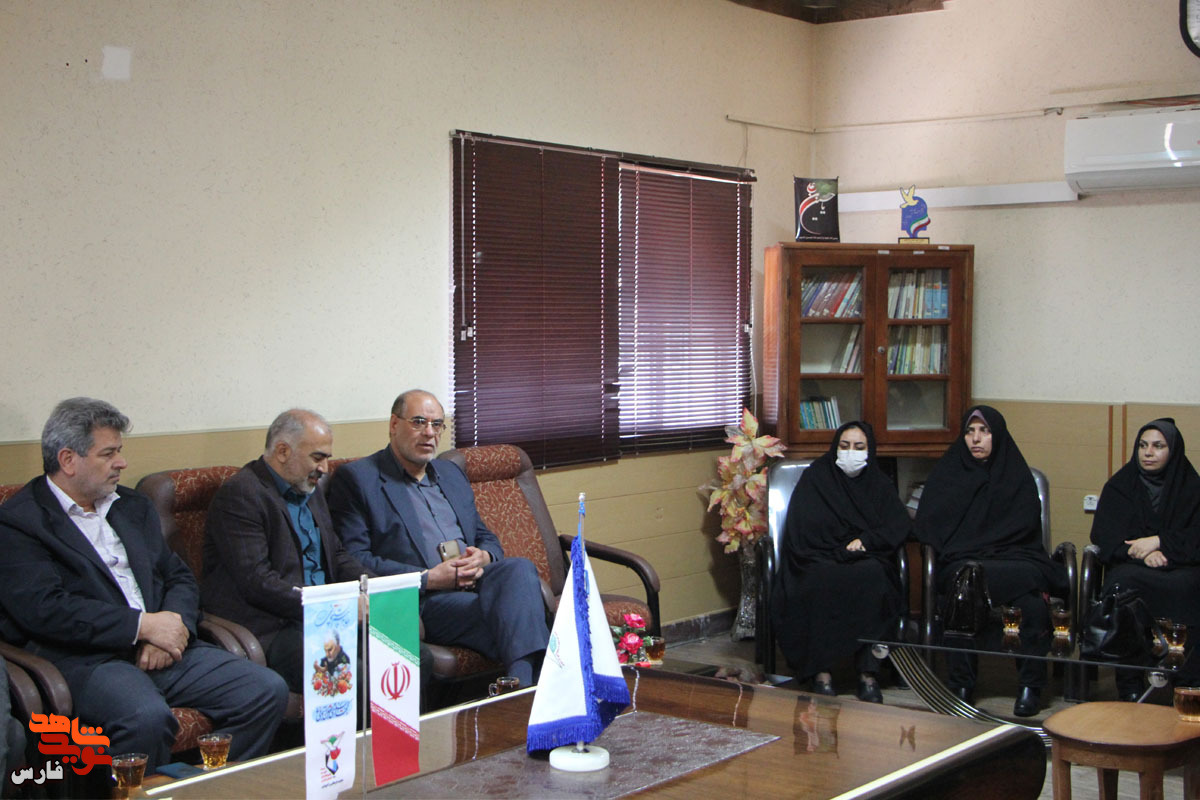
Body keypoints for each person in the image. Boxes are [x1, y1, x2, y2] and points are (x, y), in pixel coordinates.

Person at [0, 398, 288, 772]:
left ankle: (200, 789)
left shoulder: (131, 506)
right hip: (89, 659)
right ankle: (154, 792)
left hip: (166, 649)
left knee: (265, 691)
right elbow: (46, 608)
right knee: (145, 718)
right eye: (109, 454)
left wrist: (172, 629)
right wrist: (142, 627)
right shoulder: (20, 522)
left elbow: (179, 575)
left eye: (119, 451)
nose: (122, 463)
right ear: (68, 460)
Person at [327, 389, 548, 687]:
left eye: (437, 424)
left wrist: (483, 556)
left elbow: (484, 535)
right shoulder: (359, 479)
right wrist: (429, 578)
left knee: (519, 569)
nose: (429, 433)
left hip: (477, 583)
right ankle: (527, 689)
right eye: (419, 422)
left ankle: (518, 688)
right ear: (394, 424)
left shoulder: (450, 473)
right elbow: (357, 560)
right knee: (520, 613)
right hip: (427, 599)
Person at [201, 409, 372, 693]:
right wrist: (333, 607)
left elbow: (336, 556)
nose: (325, 468)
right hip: (275, 626)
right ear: (282, 451)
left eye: (327, 458)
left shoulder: (309, 488)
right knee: (359, 679)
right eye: (317, 457)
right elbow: (258, 581)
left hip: (325, 618)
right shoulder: (242, 494)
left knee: (411, 658)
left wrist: (377, 588)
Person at [915, 405, 1066, 717]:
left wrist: (988, 549)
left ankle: (1030, 686)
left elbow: (1025, 530)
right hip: (963, 563)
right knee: (963, 586)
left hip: (1014, 559)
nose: (976, 439)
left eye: (984, 431)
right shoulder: (947, 475)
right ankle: (962, 684)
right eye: (970, 432)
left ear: (997, 435)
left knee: (1033, 604)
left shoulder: (1017, 476)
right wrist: (971, 552)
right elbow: (930, 527)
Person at [769, 421, 911, 702]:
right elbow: (803, 528)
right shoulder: (816, 478)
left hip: (864, 558)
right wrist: (836, 547)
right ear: (835, 447)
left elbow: (898, 525)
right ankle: (821, 672)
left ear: (870, 450)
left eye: (859, 447)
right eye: (844, 446)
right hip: (817, 556)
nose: (850, 453)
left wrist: (866, 540)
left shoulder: (878, 483)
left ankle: (868, 673)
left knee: (875, 577)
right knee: (818, 581)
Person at [1089, 418, 1200, 700]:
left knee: (1191, 587)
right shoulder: (1120, 486)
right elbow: (1104, 535)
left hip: (1180, 567)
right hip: (1133, 568)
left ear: (1173, 451)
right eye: (1143, 445)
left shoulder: (1191, 488)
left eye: (1158, 446)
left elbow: (1196, 538)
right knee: (1123, 585)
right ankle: (1129, 681)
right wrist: (1141, 553)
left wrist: (1160, 543)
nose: (1148, 452)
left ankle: (1188, 681)